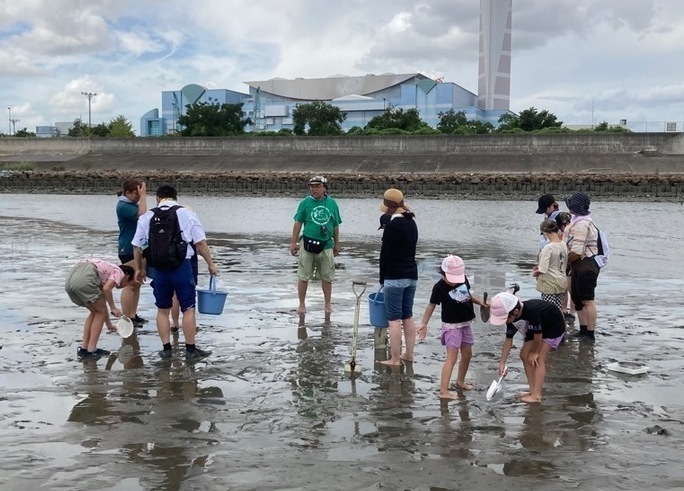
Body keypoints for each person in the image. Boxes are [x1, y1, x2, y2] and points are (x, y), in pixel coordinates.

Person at [132, 184, 218, 360]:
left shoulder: (148, 216)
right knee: (188, 308)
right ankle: (190, 349)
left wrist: (139, 269)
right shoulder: (187, 214)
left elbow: (137, 246)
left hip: (158, 268)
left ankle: (166, 349)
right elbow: (200, 243)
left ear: (158, 198)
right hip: (182, 266)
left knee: (162, 309)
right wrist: (211, 264)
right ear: (175, 197)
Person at [417, 255, 487, 399]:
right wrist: (424, 323)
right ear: (443, 273)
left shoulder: (463, 279)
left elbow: (466, 295)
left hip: (465, 323)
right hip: (451, 326)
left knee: (467, 354)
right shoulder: (439, 287)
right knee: (452, 358)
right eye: (452, 278)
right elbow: (431, 305)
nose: (455, 281)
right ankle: (443, 391)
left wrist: (480, 302)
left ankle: (460, 381)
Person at [489, 292, 566, 403]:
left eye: (505, 318)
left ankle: (536, 395)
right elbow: (508, 340)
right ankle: (532, 390)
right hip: (535, 329)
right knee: (524, 355)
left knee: (538, 358)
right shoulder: (511, 318)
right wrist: (502, 362)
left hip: (553, 327)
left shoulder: (532, 311)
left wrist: (534, 352)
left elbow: (538, 335)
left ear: (515, 312)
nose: (505, 321)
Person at [289, 175, 342, 315]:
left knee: (327, 277)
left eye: (317, 187)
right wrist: (293, 242)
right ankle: (301, 304)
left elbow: (336, 225)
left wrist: (337, 244)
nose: (314, 189)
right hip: (307, 243)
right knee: (303, 276)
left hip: (326, 245)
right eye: (312, 187)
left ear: (325, 188)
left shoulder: (332, 204)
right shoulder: (305, 203)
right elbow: (298, 223)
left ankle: (328, 304)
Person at [378, 188, 418, 366]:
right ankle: (408, 354)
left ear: (389, 208)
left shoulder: (392, 226)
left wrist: (382, 277)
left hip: (394, 275)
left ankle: (394, 359)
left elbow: (384, 254)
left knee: (393, 318)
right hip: (411, 274)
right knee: (407, 315)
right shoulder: (411, 222)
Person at [65, 259, 134, 360]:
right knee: (98, 312)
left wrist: (109, 325)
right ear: (127, 276)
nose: (125, 286)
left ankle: (84, 348)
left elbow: (102, 305)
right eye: (128, 283)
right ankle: (92, 349)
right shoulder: (119, 272)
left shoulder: (105, 273)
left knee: (94, 312)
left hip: (72, 277)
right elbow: (107, 289)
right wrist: (113, 308)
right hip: (87, 276)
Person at [564, 191, 601, 342]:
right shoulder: (577, 221)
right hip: (578, 264)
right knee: (578, 298)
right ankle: (583, 329)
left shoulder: (582, 224)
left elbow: (577, 251)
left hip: (585, 264)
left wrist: (563, 261)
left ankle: (590, 333)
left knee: (587, 299)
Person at [116, 178, 148, 327]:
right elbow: (142, 214)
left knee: (137, 282)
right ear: (128, 192)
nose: (138, 196)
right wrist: (144, 197)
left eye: (140, 193)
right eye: (136, 193)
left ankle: (133, 314)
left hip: (138, 247)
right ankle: (127, 316)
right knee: (130, 283)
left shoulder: (131, 204)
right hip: (128, 248)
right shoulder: (123, 205)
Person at [532, 219, 568, 311]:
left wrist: (535, 273)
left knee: (549, 311)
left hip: (549, 284)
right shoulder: (563, 245)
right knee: (558, 310)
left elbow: (543, 269)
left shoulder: (548, 248)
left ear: (545, 232)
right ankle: (561, 325)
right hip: (562, 281)